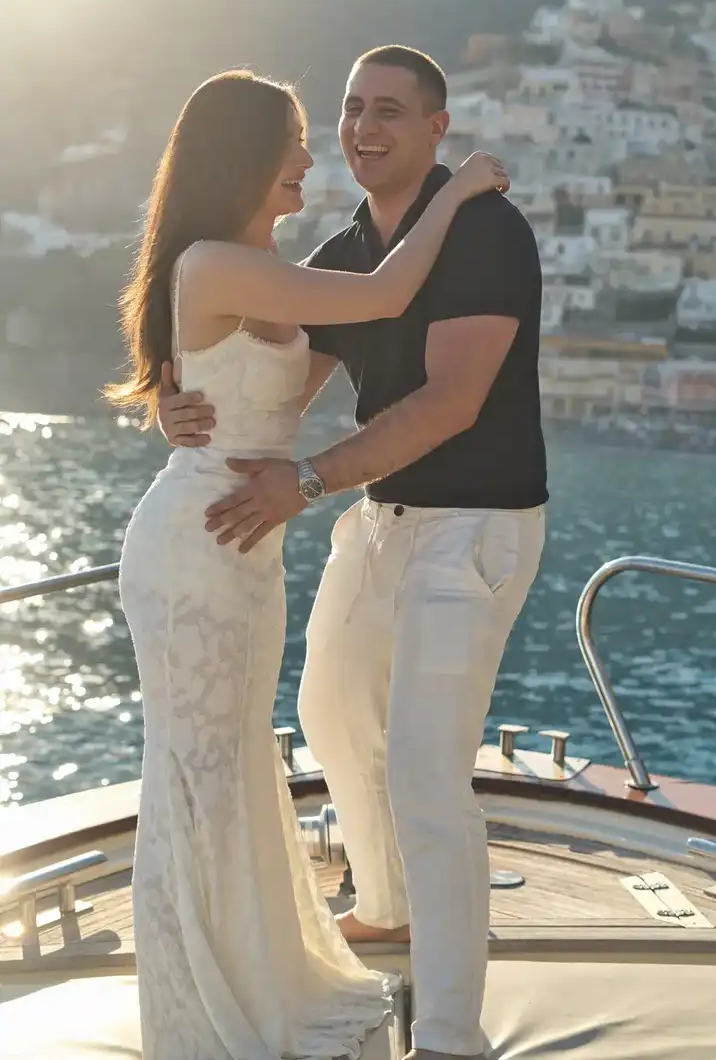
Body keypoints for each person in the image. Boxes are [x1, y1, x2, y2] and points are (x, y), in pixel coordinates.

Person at [105, 67, 508, 1060]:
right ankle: (199, 1014)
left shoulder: (261, 263)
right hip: (196, 554)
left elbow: (244, 377)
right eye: (292, 139)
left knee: (238, 766)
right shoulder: (214, 261)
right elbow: (382, 293)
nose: (308, 157)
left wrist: (176, 399)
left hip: (246, 550)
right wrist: (456, 189)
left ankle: (254, 981)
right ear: (244, 154)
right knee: (196, 775)